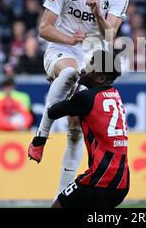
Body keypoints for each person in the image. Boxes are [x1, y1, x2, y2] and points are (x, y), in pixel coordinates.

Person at [28, 0, 129, 196]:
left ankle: (61, 197)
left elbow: (109, 35)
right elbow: (44, 29)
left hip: (91, 60)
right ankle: (41, 136)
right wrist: (69, 39)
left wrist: (96, 11)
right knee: (70, 74)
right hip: (61, 48)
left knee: (75, 129)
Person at [49, 49, 129, 208]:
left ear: (101, 77)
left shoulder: (85, 98)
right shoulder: (114, 94)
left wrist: (59, 84)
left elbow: (52, 112)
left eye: (91, 64)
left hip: (99, 180)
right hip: (122, 182)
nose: (85, 66)